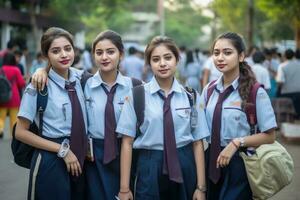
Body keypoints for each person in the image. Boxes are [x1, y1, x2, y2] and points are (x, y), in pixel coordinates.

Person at [31, 30, 142, 200]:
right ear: (93, 55)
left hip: (126, 155)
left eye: (110, 52)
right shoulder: (82, 82)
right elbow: (59, 70)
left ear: (121, 54)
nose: (104, 57)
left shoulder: (136, 87)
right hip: (92, 159)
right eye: (99, 52)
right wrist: (41, 71)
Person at [116, 36, 207, 200]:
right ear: (149, 64)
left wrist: (201, 187)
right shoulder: (137, 96)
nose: (162, 63)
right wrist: (124, 188)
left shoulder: (192, 97)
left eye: (168, 57)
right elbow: (127, 143)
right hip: (149, 165)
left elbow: (198, 142)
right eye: (156, 59)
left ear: (177, 60)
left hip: (184, 162)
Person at [200, 32, 276, 200]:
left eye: (227, 53)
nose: (220, 58)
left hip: (239, 164)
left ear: (241, 56)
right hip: (210, 161)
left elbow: (270, 136)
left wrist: (236, 142)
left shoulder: (255, 92)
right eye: (216, 52)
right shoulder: (208, 90)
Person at [15, 27, 88, 200]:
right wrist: (62, 150)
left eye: (67, 48)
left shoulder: (82, 79)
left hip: (81, 158)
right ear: (46, 55)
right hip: (51, 158)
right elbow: (20, 132)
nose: (64, 54)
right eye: (56, 51)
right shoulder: (38, 86)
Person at [0, 53, 26, 138]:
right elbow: (21, 83)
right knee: (14, 118)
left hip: (3, 96)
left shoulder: (1, 69)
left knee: (1, 117)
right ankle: (13, 135)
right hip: (14, 97)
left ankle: (0, 129)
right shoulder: (16, 69)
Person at [276, 49, 300, 118]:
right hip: (298, 92)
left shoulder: (282, 66)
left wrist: (278, 91)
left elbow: (280, 81)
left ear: (284, 56)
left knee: (288, 115)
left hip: (286, 93)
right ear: (293, 56)